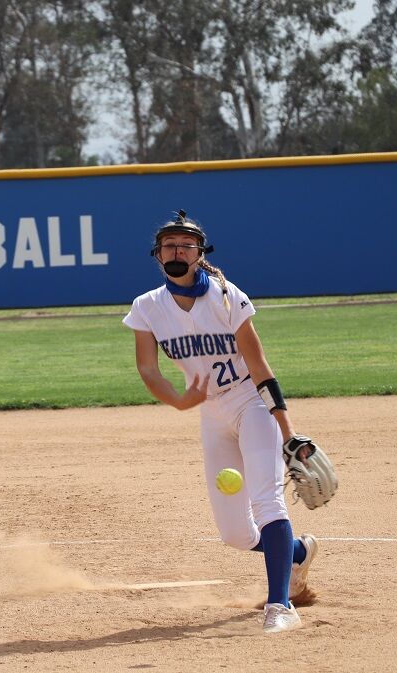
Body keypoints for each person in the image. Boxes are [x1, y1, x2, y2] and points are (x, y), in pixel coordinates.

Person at [122, 210, 318, 634]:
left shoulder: (229, 298)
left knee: (268, 502)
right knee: (235, 534)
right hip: (211, 415)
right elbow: (148, 370)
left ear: (200, 253)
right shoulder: (146, 308)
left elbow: (260, 367)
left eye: (186, 244)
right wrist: (178, 401)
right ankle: (298, 552)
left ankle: (280, 605)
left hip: (252, 404)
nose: (177, 251)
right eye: (169, 245)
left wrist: (287, 431)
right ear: (157, 255)